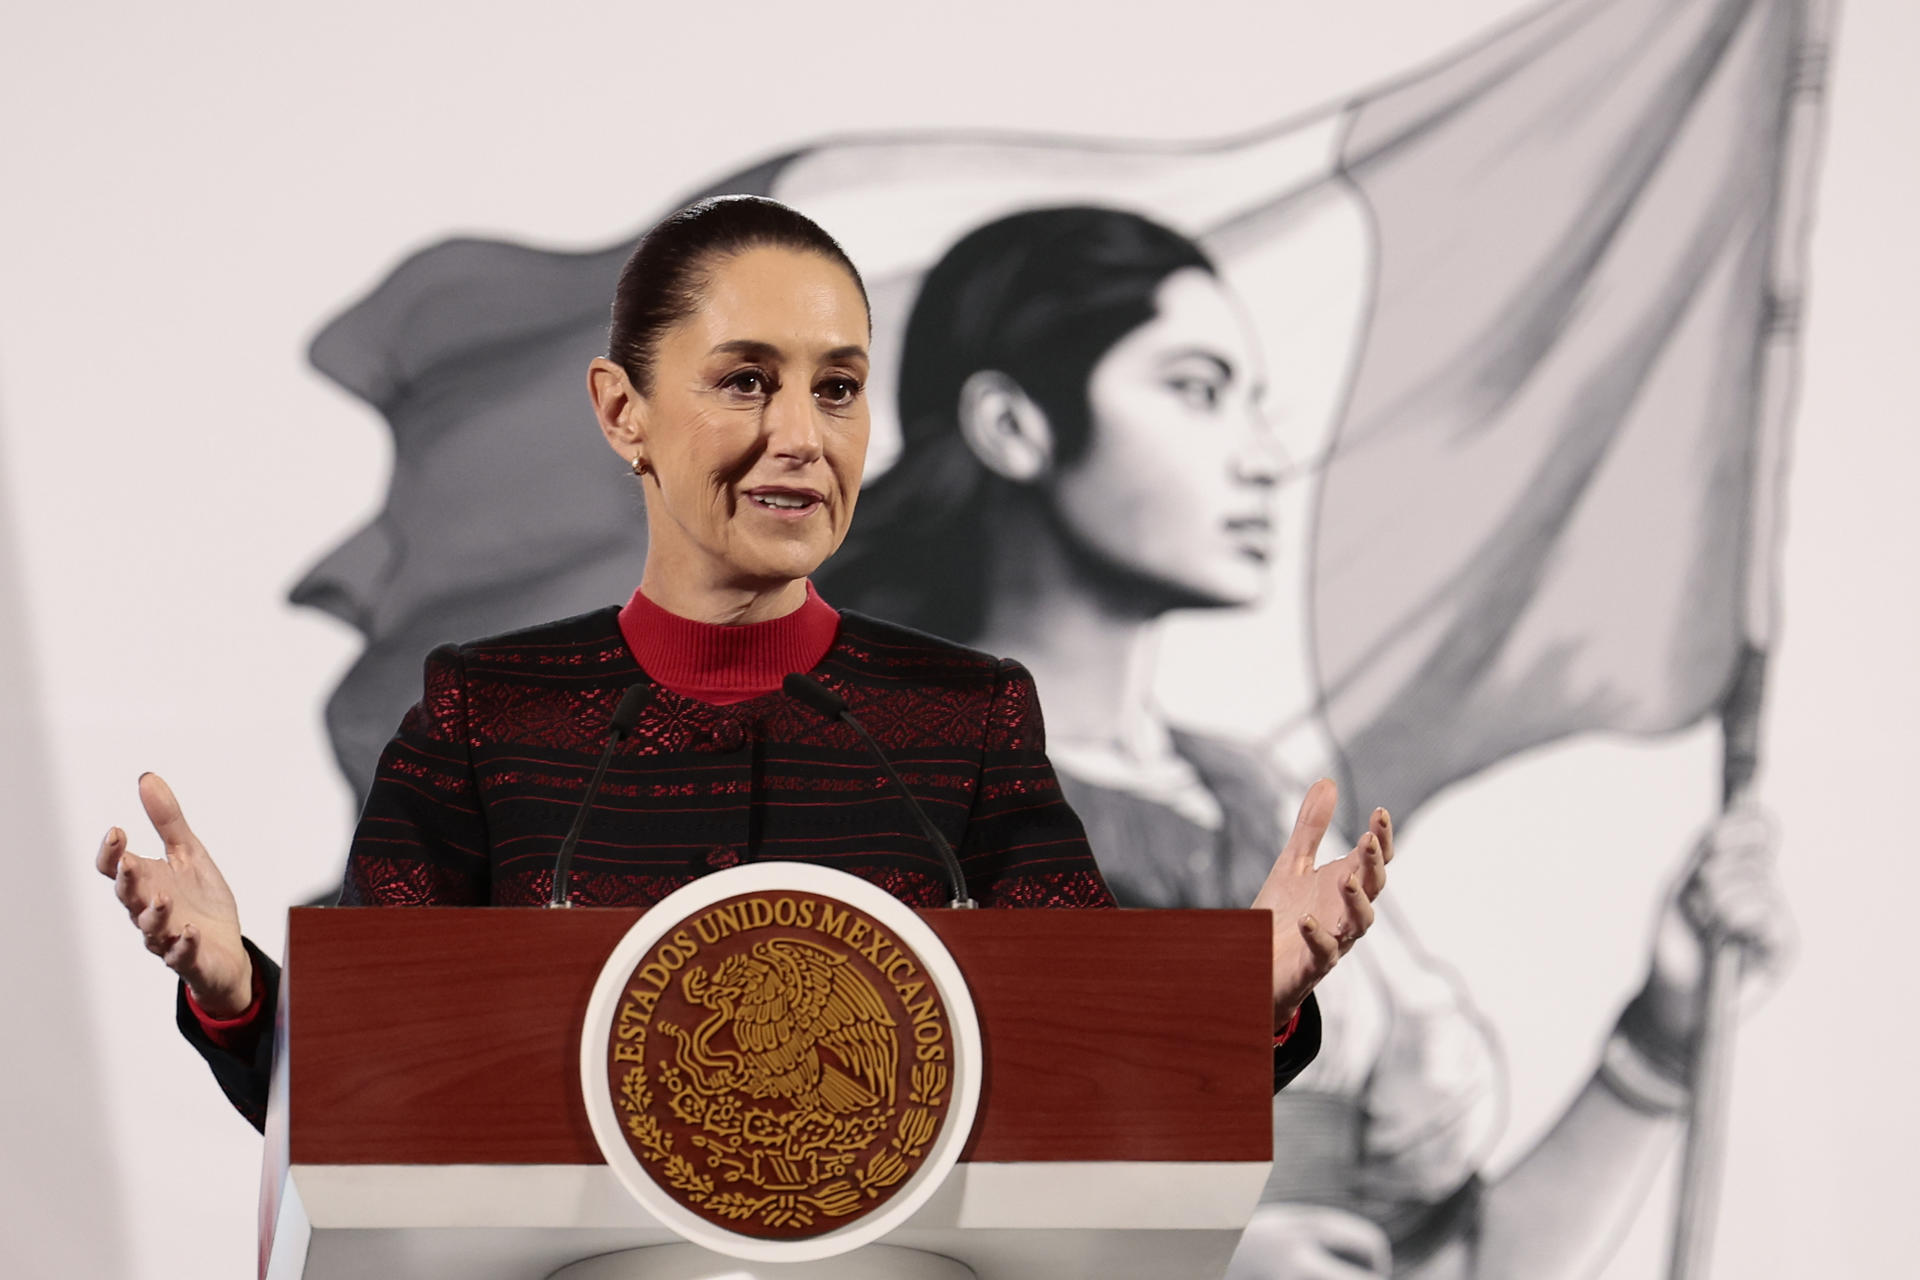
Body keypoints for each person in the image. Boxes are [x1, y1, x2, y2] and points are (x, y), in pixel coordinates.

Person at [96, 196, 1393, 1133]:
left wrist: (1255, 1002)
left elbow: (1097, 1092)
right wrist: (234, 985)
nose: (798, 436)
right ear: (624, 413)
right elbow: (359, 1089)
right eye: (743, 382)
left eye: (838, 389)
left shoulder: (970, 723)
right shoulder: (487, 718)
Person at [816, 207, 1790, 1279]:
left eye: (1255, 405)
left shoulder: (1258, 807)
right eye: (1196, 389)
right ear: (1014, 424)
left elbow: (1448, 1263)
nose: (1266, 458)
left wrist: (1657, 1042)